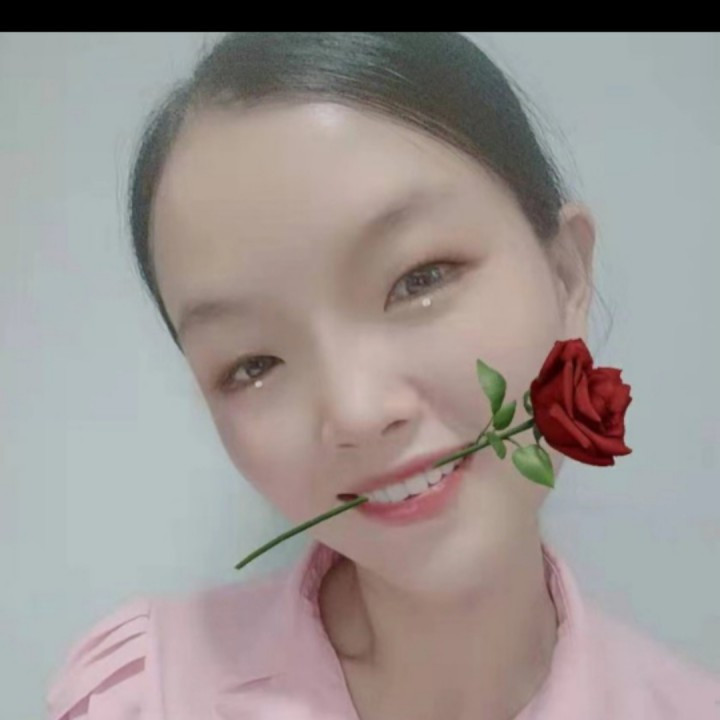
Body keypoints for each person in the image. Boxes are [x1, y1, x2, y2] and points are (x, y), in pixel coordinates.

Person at [45, 32, 720, 719]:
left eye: (419, 279)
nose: (357, 410)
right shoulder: (143, 698)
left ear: (565, 276)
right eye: (253, 364)